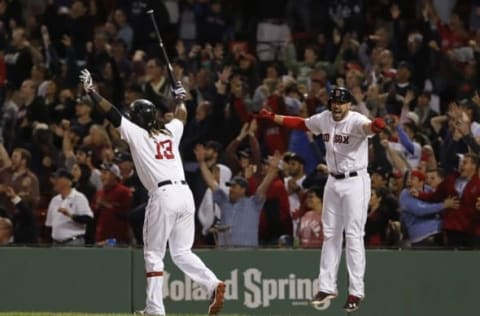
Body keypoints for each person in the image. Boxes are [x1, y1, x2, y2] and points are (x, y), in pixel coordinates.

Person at [79, 69, 225, 316]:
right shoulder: (169, 132)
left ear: (136, 118)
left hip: (164, 196)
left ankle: (155, 310)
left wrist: (92, 91)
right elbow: (182, 115)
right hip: (185, 194)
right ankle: (212, 284)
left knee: (154, 254)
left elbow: (112, 113)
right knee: (181, 252)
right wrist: (180, 97)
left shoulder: (137, 133)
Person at [258, 86, 386, 312]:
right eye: (333, 102)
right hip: (333, 180)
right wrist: (274, 118)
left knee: (354, 234)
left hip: (356, 181)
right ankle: (327, 286)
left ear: (349, 104)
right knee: (330, 234)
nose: (336, 105)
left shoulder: (356, 120)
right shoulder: (325, 118)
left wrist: (375, 126)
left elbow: (368, 128)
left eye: (341, 102)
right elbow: (301, 123)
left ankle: (356, 291)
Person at [45, 168, 94, 245]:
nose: (54, 181)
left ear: (68, 182)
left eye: (57, 179)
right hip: (55, 244)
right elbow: (49, 225)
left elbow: (89, 219)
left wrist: (71, 215)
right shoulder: (54, 200)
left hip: (73, 242)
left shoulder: (79, 197)